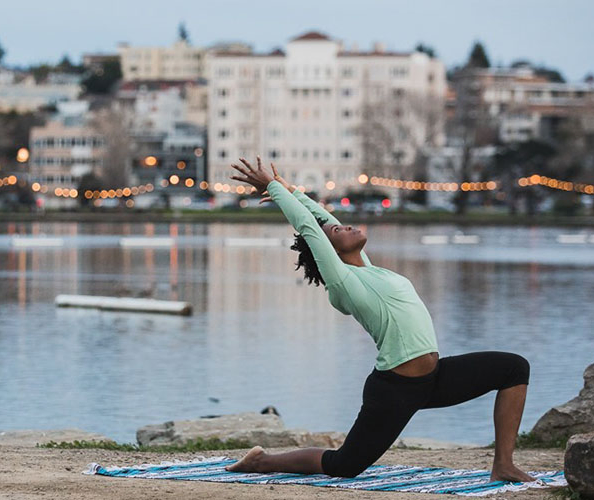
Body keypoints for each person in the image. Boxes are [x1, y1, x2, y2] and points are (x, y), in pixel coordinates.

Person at [224, 157, 536, 483]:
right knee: (345, 464)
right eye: (337, 231)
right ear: (326, 251)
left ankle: (503, 465)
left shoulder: (368, 269)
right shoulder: (344, 282)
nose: (344, 224)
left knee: (514, 368)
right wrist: (275, 189)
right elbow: (308, 226)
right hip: (395, 389)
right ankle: (262, 461)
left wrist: (289, 190)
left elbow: (320, 218)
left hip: (434, 378)